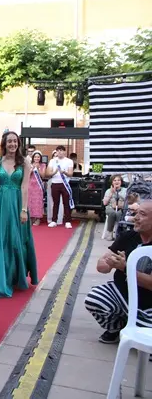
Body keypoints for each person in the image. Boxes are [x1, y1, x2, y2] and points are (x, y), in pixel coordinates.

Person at [84, 200, 152, 344]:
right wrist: (108, 263)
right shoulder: (128, 236)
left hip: (149, 304)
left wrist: (125, 268)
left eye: (142, 214)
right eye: (136, 213)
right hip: (123, 294)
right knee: (95, 298)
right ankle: (117, 328)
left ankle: (136, 325)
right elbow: (101, 266)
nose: (136, 218)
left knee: (145, 337)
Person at [0, 131, 38, 298]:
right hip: (0, 203)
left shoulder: (24, 162)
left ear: (18, 143)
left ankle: (13, 276)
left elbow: (25, 187)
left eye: (15, 141)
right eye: (9, 141)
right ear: (4, 144)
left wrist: (24, 210)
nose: (12, 144)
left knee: (15, 240)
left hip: (17, 203)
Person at [46, 145, 74, 229]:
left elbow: (70, 174)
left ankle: (68, 221)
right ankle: (54, 220)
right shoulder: (52, 161)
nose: (60, 152)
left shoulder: (69, 161)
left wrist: (64, 172)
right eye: (58, 150)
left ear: (64, 152)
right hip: (55, 183)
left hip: (65, 184)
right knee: (55, 203)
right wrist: (55, 172)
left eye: (61, 150)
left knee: (66, 203)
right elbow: (48, 173)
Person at [103, 175, 127, 241]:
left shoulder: (125, 190)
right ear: (112, 182)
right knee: (112, 213)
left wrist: (117, 193)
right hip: (110, 207)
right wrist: (111, 193)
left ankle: (119, 233)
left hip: (121, 208)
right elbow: (105, 203)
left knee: (119, 214)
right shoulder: (108, 191)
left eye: (118, 180)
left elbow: (127, 200)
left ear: (121, 182)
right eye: (115, 180)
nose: (117, 182)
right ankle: (109, 233)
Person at [28, 151, 46, 225]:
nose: (36, 158)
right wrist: (32, 169)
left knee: (38, 202)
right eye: (35, 157)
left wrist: (38, 168)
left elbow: (43, 176)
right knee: (30, 202)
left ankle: (37, 218)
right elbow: (27, 175)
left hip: (38, 186)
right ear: (33, 158)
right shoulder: (29, 165)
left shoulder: (43, 165)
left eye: (38, 157)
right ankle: (31, 218)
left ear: (40, 158)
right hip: (30, 186)